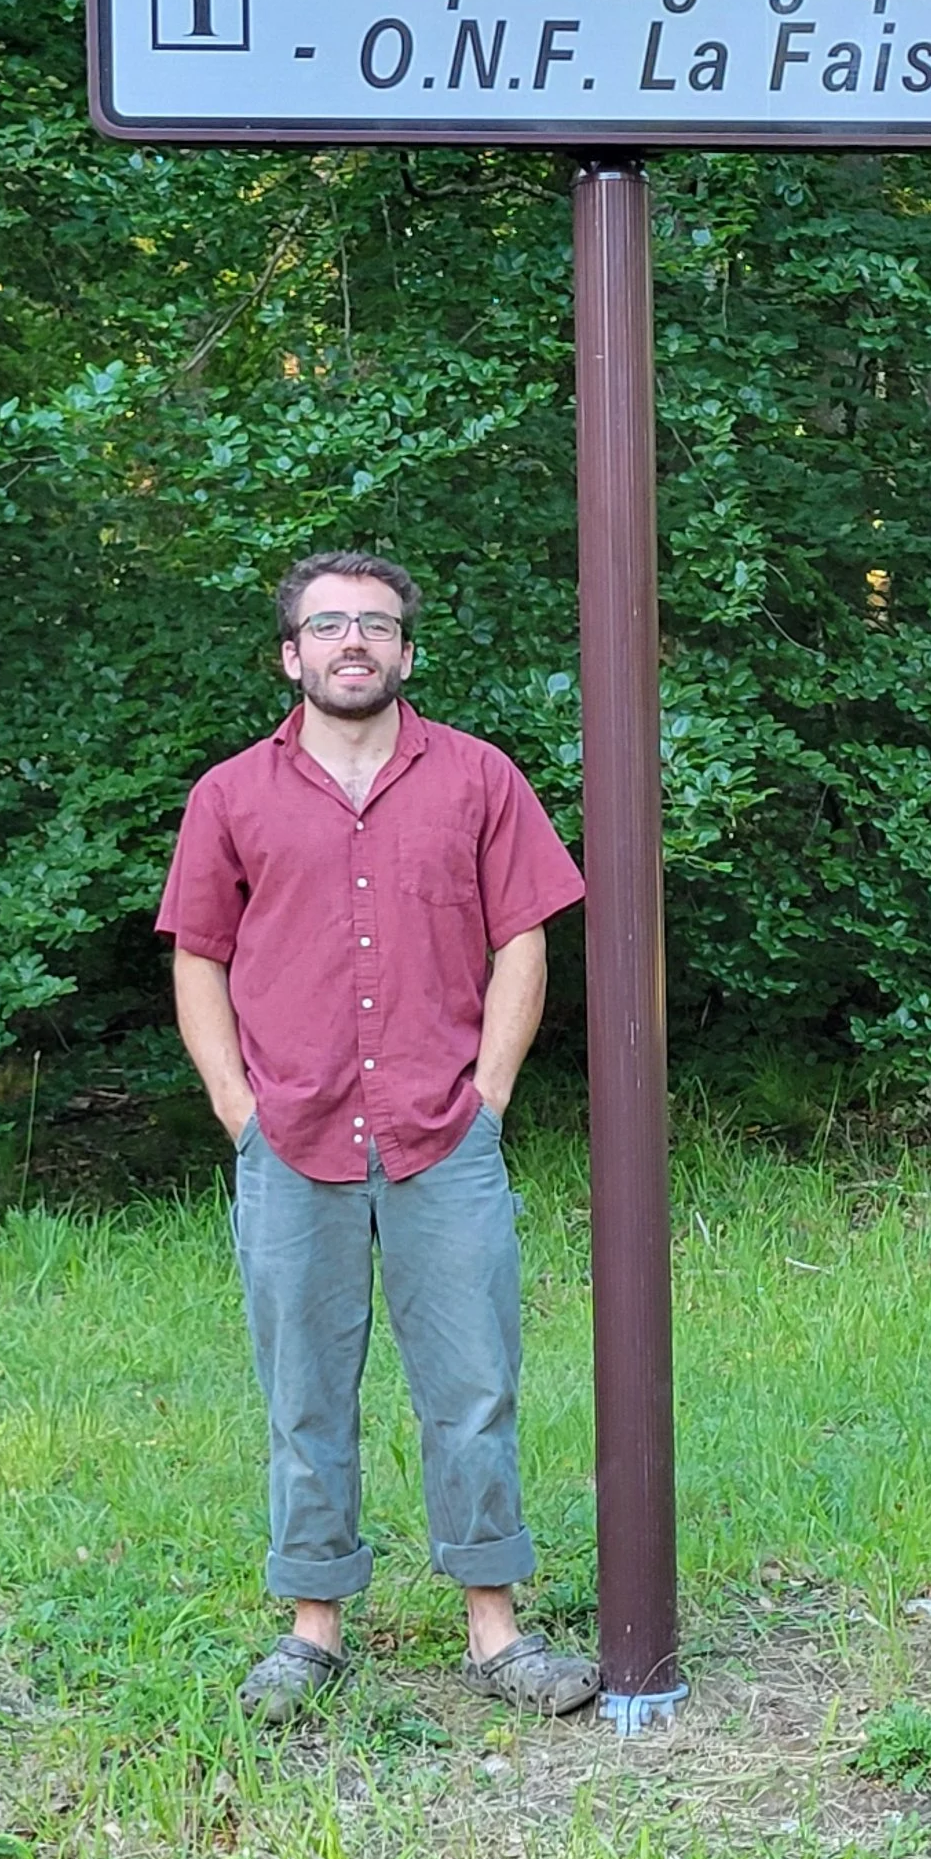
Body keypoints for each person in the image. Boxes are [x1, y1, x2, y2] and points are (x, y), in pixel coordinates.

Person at [159, 549, 596, 1720]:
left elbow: (523, 943)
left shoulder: (480, 780)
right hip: (288, 1140)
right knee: (304, 1393)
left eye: (376, 624)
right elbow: (197, 958)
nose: (353, 642)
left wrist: (489, 1097)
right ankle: (313, 1628)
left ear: (407, 650)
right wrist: (235, 1108)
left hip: (441, 1132)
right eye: (328, 624)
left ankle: (495, 1631)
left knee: (474, 1388)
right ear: (290, 654)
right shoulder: (229, 797)